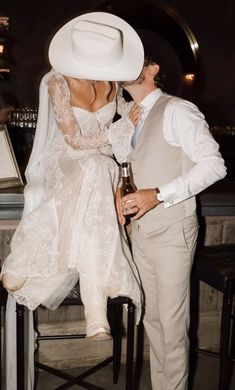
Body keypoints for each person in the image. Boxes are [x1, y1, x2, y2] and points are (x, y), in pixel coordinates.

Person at [0, 12, 144, 390]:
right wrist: (122, 128)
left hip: (99, 169)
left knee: (100, 171)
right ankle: (90, 298)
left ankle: (88, 303)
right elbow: (74, 140)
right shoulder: (58, 82)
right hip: (65, 161)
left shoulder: (114, 85)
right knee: (96, 168)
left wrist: (120, 140)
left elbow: (120, 149)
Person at [116, 55, 227, 390]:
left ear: (153, 70)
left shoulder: (177, 109)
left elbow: (214, 165)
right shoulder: (129, 116)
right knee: (151, 320)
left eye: (137, 59)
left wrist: (159, 195)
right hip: (142, 232)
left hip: (171, 231)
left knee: (173, 327)